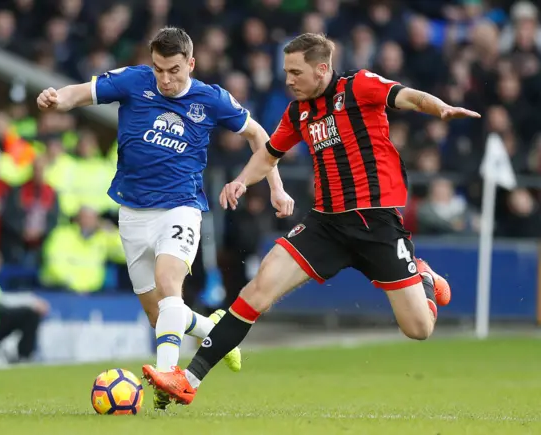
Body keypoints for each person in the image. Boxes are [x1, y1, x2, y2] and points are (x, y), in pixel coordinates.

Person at [141, 33, 481, 405]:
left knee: (418, 328)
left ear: (322, 69)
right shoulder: (297, 112)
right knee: (256, 292)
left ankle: (424, 277)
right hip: (326, 225)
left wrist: (439, 108)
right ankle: (188, 379)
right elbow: (269, 154)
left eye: (295, 72)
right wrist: (241, 181)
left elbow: (408, 96)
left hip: (376, 224)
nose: (288, 79)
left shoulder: (359, 86)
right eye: (285, 71)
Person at [36, 27, 294, 409]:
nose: (166, 79)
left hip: (180, 207)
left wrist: (275, 186)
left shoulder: (211, 99)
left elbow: (259, 136)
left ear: (190, 63)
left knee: (169, 282)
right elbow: (82, 92)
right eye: (159, 69)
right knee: (159, 316)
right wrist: (57, 99)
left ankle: (170, 380)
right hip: (132, 212)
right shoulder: (134, 81)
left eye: (173, 69)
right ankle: (213, 330)